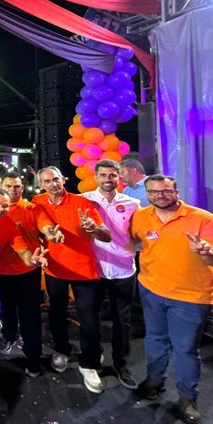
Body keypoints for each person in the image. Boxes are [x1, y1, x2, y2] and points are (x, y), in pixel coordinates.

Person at [131, 174, 213, 424]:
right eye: (153, 192)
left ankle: (188, 399)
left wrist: (207, 252)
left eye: (165, 192)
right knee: (154, 339)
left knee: (185, 349)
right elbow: (133, 241)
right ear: (147, 193)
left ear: (176, 192)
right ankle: (154, 381)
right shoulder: (141, 216)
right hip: (151, 290)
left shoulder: (202, 218)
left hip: (190, 296)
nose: (159, 196)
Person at [32, 166, 111, 393]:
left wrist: (93, 229)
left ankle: (90, 363)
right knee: (56, 314)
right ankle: (62, 350)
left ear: (63, 179)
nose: (53, 184)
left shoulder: (82, 203)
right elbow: (35, 227)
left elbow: (106, 236)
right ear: (41, 185)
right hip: (55, 270)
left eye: (56, 179)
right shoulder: (37, 202)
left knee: (88, 318)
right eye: (47, 181)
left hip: (84, 271)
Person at [80, 160, 141, 390]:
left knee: (122, 321)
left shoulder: (133, 203)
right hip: (93, 270)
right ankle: (91, 362)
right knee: (89, 319)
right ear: (95, 177)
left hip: (124, 270)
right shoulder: (83, 200)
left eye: (112, 175)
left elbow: (139, 232)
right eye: (103, 175)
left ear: (119, 177)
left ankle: (120, 363)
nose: (108, 179)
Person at [0, 176, 56, 377]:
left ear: (23, 188)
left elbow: (46, 226)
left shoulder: (32, 209)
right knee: (7, 308)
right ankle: (9, 335)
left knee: (30, 316)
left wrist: (52, 233)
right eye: (8, 186)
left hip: (29, 271)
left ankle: (33, 357)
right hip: (2, 271)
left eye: (17, 186)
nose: (13, 189)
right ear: (0, 188)